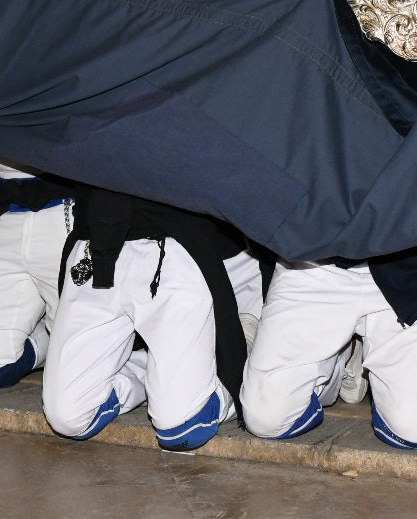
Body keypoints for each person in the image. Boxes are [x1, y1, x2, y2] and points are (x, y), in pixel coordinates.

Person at [41, 186, 262, 451]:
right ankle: (154, 367)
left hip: (172, 238)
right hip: (95, 237)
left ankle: (245, 340)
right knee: (68, 418)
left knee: (182, 428)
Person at [241, 244, 417, 451]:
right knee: (266, 420)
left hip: (414, 265)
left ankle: (355, 348)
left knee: (415, 431)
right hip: (315, 261)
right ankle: (344, 352)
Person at [0, 157, 77, 389]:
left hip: (67, 211)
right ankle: (51, 335)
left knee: (75, 383)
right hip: (7, 211)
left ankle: (134, 363)